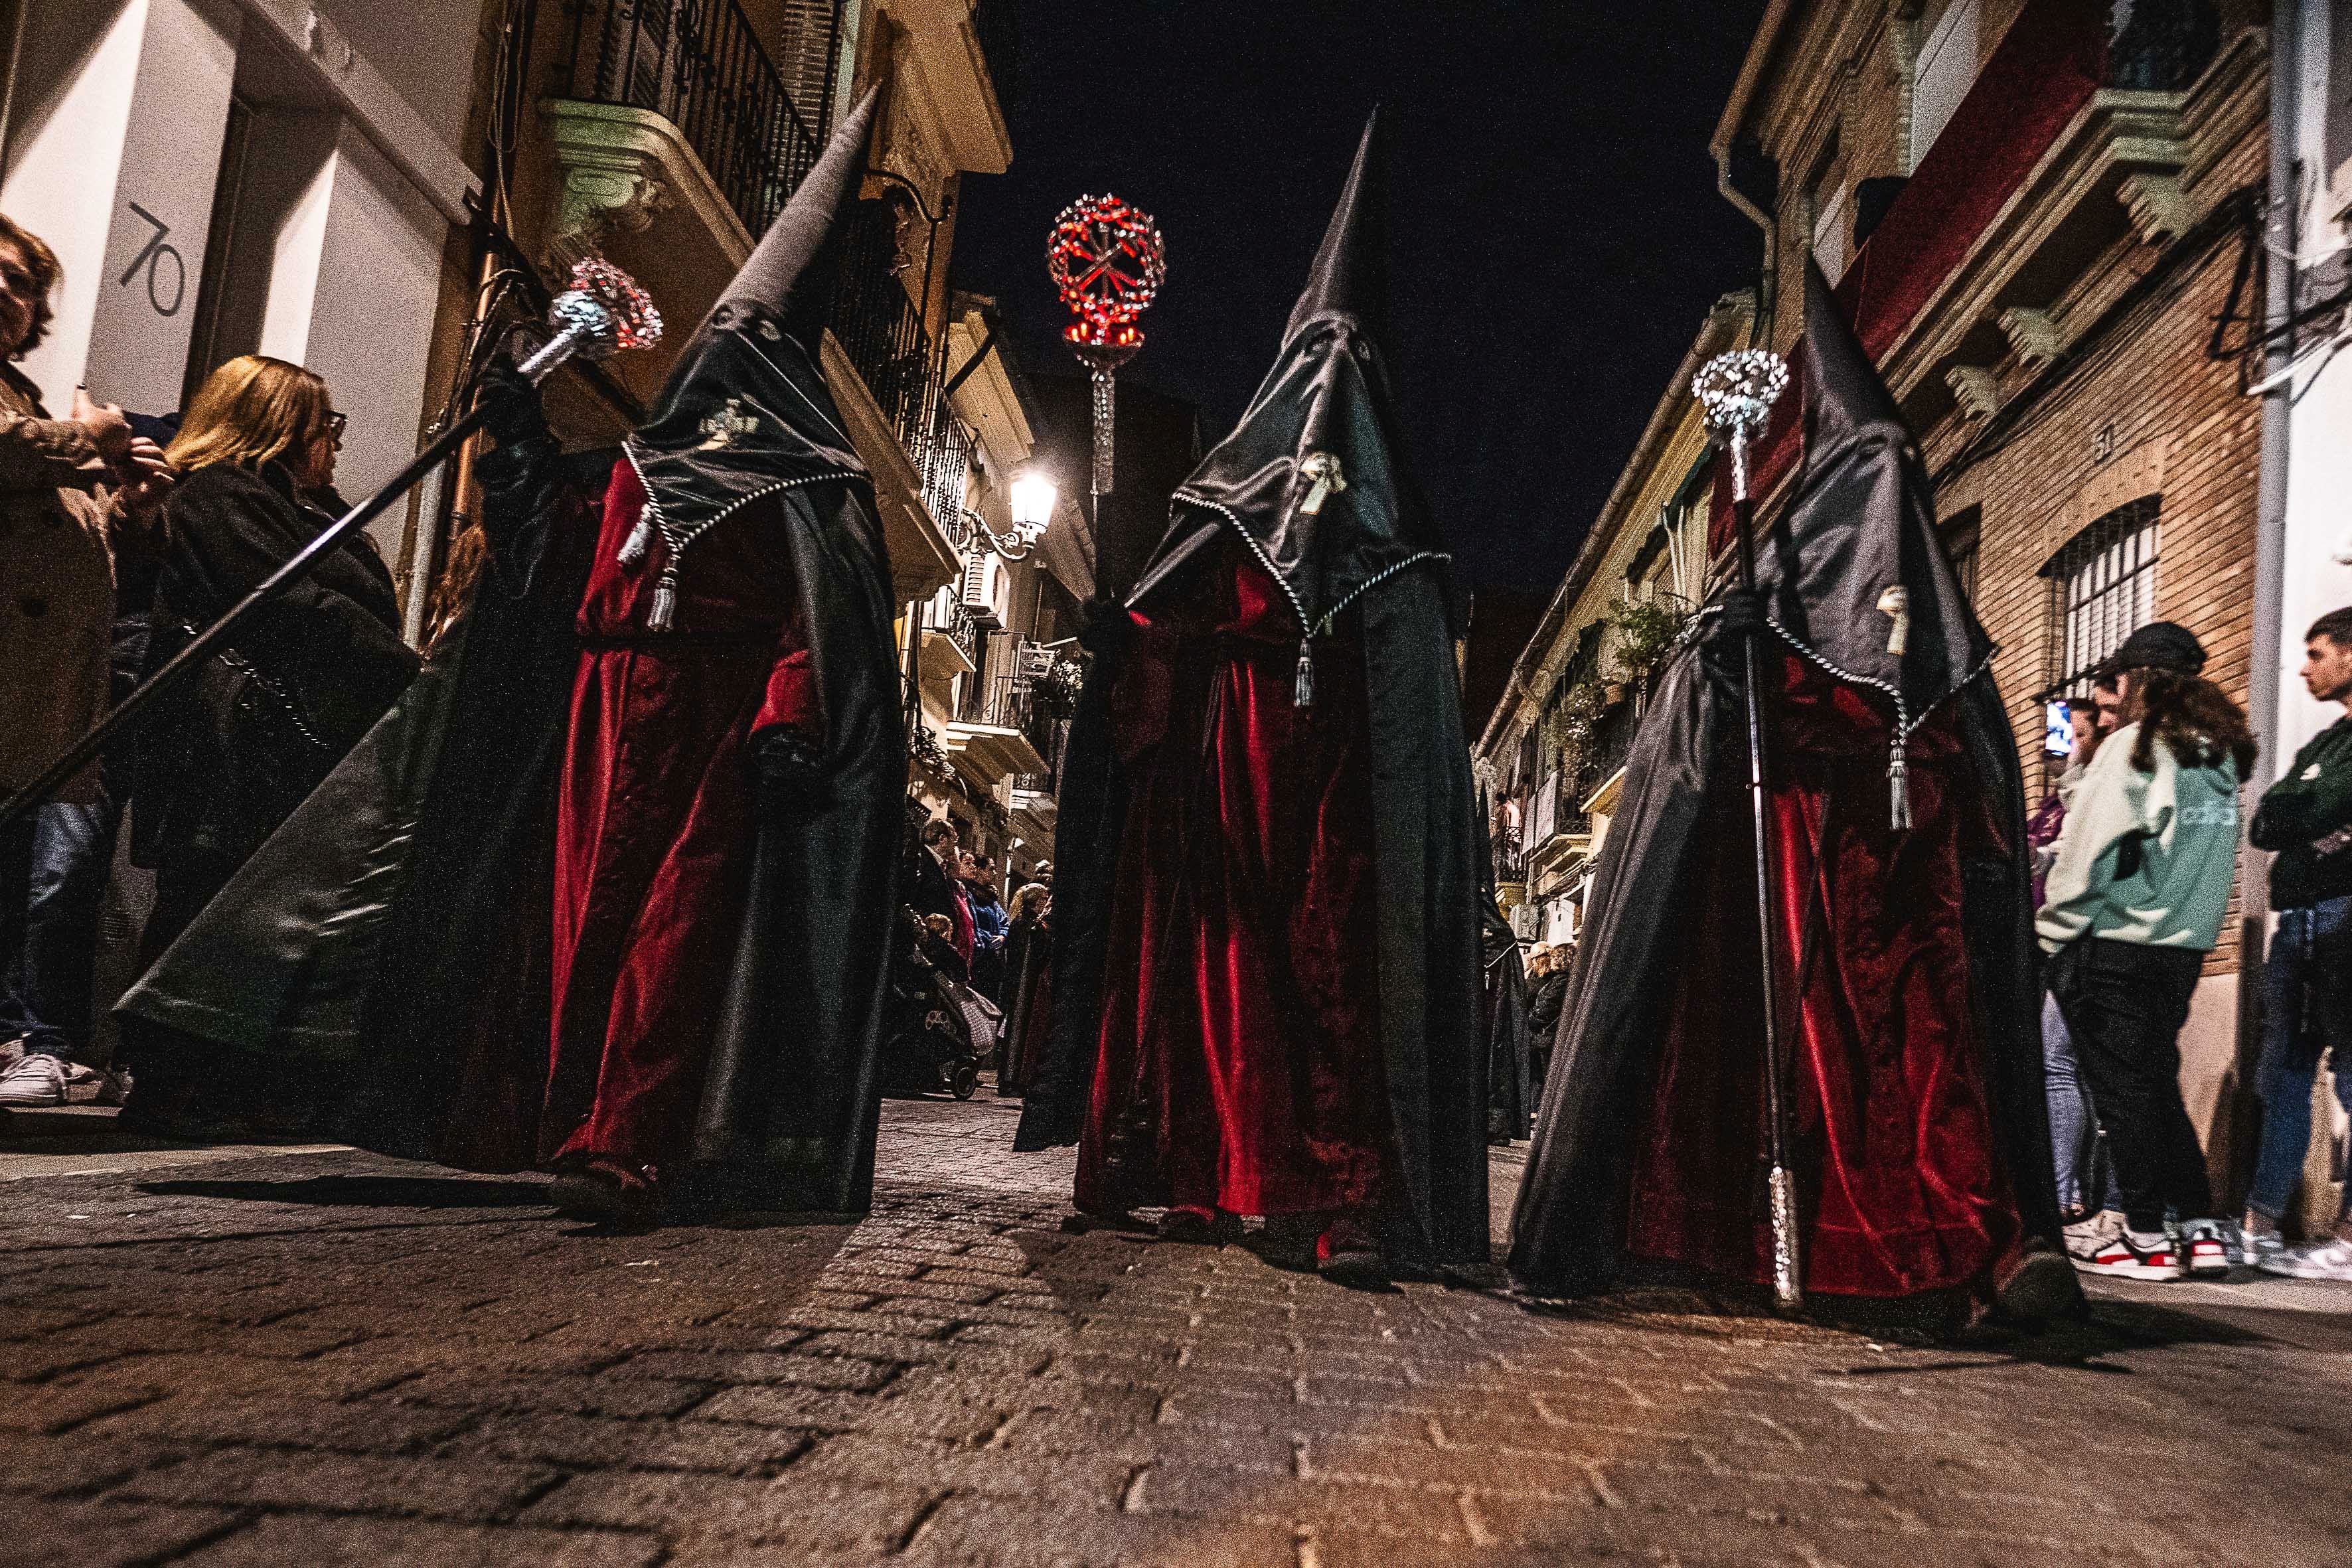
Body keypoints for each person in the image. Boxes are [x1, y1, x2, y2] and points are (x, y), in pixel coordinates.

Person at [121, 93, 905, 1227]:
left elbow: (812, 630)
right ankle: (555, 1116)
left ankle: (628, 1139)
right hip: (589, 722)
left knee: (672, 934)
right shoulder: (631, 467)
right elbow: (547, 563)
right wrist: (514, 430)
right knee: (567, 931)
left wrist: (789, 716)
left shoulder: (809, 491)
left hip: (710, 735)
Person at [1511, 263, 2077, 1324]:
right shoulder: (1759, 609)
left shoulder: (1953, 647)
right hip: (1793, 909)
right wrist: (1728, 664)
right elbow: (1695, 769)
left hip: (1916, 912)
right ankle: (1766, 1237)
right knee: (1801, 1082)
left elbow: (1985, 793)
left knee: (1931, 1083)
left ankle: (1967, 1249)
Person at [1018, 114, 1492, 1284]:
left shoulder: (1404, 548)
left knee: (1340, 980)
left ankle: (1341, 1192)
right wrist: (1119, 643)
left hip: (1345, 789)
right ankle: (1201, 1165)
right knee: (1219, 973)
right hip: (1228, 775)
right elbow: (1159, 644)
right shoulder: (1217, 509)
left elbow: (1420, 691)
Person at [0, 212, 171, 1108]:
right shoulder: (29, 422)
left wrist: (131, 507)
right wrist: (96, 442)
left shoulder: (27, 399)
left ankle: (21, 1036)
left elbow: (63, 535)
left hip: (45, 682)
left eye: (22, 283)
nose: (6, 292)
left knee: (27, 867)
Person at [2038, 630, 2251, 1281]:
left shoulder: (2134, 745)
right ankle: (2199, 1228)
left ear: (2136, 680)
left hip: (2113, 944)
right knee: (2155, 1086)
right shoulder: (2212, 755)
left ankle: (2145, 1237)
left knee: (2124, 1094)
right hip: (2180, 948)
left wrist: (2051, 933)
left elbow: (2087, 850)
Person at [2243, 607, 2352, 1279]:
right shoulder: (2323, 745)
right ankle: (2259, 1222)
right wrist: (2317, 815)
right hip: (2301, 919)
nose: (2304, 667)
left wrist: (2314, 812)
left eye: (2317, 653)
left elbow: (2315, 806)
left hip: (2345, 916)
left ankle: (2348, 1236)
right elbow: (2268, 819)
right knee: (2281, 1070)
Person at [2027, 698, 2120, 1259]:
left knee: (2059, 1065)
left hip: (2080, 938)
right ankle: (2073, 1189)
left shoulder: (2088, 796)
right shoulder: (2052, 802)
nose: (2058, 744)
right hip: (2047, 939)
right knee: (2065, 1070)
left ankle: (2066, 1195)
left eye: (2071, 733)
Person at [996, 880, 1052, 1095]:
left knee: (1014, 1029)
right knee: (1018, 1030)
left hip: (1016, 982)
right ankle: (1011, 1078)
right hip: (1023, 984)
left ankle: (1008, 1077)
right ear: (1038, 902)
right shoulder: (1030, 927)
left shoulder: (1019, 924)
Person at [963, 850, 1010, 1003]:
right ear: (980, 870)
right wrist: (988, 938)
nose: (995, 873)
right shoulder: (969, 893)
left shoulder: (991, 899)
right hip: (979, 957)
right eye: (991, 868)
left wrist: (1003, 936)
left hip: (992, 960)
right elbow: (971, 923)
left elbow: (1004, 921)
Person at [1523, 943, 1569, 1094]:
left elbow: (1544, 1008)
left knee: (1541, 1077)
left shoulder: (1555, 980)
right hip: (1539, 1035)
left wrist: (1528, 1020)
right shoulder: (1543, 978)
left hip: (1542, 1035)